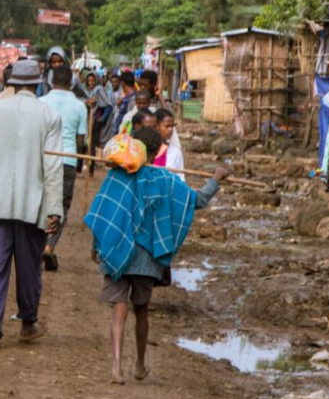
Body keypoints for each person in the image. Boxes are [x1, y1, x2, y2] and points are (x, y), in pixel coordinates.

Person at [85, 126, 228, 384]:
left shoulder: (116, 177)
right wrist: (216, 179)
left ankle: (116, 367)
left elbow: (103, 214)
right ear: (156, 151)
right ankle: (139, 364)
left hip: (116, 249)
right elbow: (197, 200)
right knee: (141, 310)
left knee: (118, 310)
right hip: (146, 256)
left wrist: (96, 246)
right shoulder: (164, 179)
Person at [0, 58, 63, 347]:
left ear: (12, 83)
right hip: (33, 204)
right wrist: (54, 208)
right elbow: (53, 166)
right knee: (30, 267)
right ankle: (28, 322)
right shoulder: (49, 115)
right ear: (38, 84)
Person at [39, 64, 89, 271]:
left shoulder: (41, 102)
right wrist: (80, 164)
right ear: (72, 83)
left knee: (42, 201)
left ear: (51, 81)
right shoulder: (79, 106)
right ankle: (49, 246)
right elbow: (80, 140)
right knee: (62, 206)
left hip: (44, 157)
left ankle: (39, 244)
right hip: (68, 158)